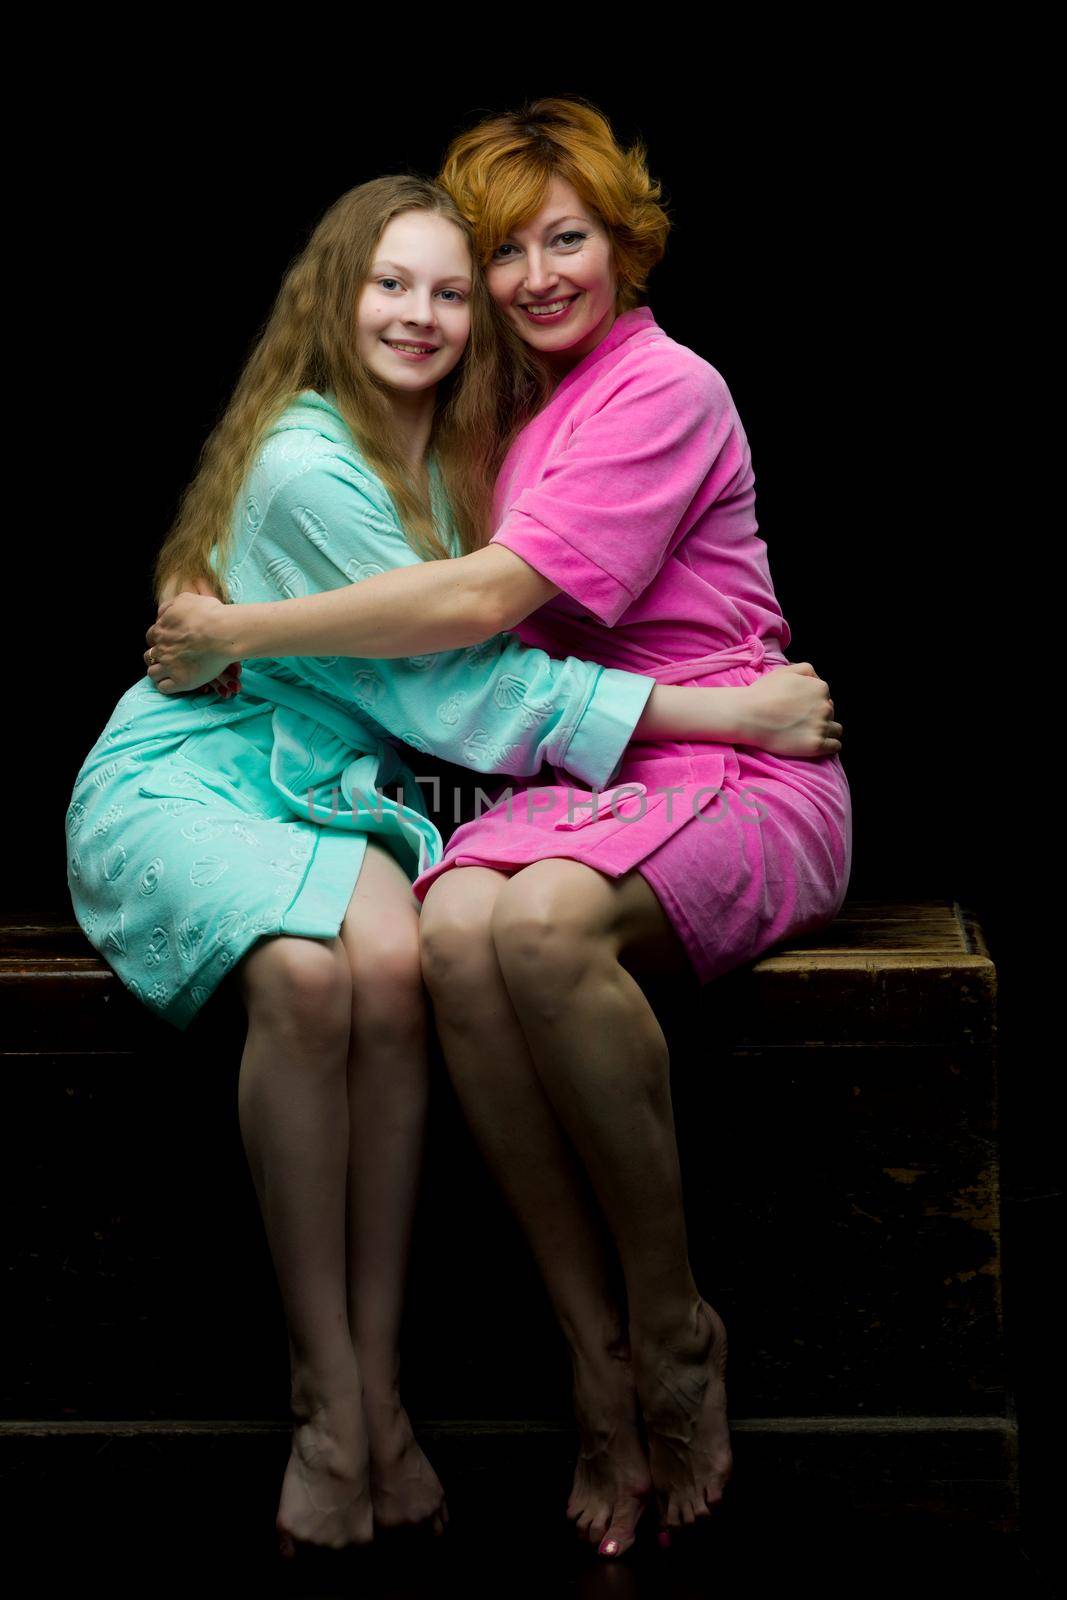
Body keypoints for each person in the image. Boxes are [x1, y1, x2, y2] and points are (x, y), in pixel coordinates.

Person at [71, 172, 836, 1562]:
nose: (420, 313)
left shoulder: (468, 455)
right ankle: (334, 1405)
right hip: (206, 774)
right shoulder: (310, 462)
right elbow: (458, 697)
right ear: (335, 297)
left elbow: (469, 664)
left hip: (335, 793)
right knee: (313, 983)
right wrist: (719, 711)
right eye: (390, 284)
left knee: (395, 959)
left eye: (441, 285)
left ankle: (390, 1404)